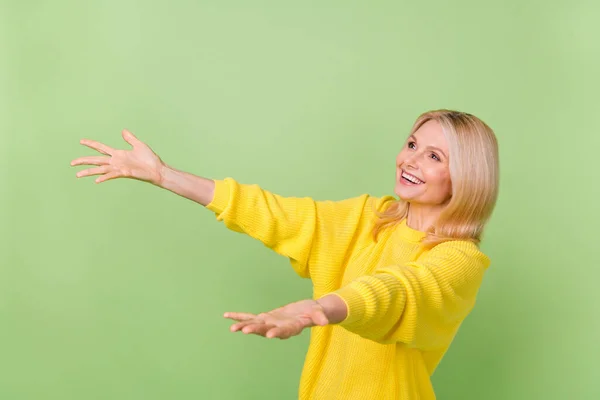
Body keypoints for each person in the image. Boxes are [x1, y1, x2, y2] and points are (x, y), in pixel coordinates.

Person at [71, 109, 499, 399]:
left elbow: (397, 292)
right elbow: (275, 213)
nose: (411, 160)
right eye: (411, 144)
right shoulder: (370, 216)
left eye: (434, 156)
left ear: (465, 177)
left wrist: (323, 307)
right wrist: (164, 175)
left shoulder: (459, 259)